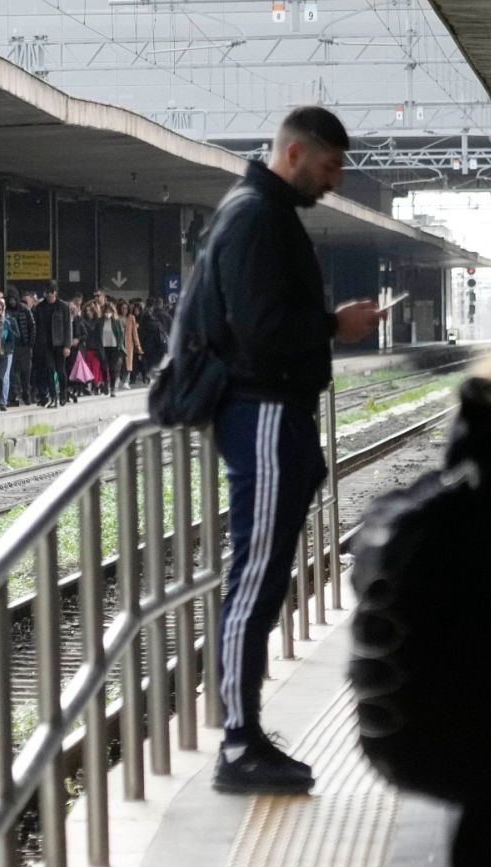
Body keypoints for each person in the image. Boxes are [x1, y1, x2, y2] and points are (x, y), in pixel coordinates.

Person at [201, 106, 382, 794]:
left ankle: (244, 733)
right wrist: (336, 324)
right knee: (254, 576)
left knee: (267, 573)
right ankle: (239, 742)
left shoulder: (266, 213)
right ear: (296, 152)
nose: (335, 181)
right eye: (330, 166)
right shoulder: (257, 217)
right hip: (265, 412)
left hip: (277, 414)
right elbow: (262, 329)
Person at [33, 282, 74, 407]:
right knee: (50, 370)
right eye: (48, 293)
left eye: (52, 293)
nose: (50, 295)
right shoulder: (40, 307)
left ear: (55, 293)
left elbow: (67, 327)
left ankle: (63, 394)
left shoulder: (62, 307)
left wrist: (67, 345)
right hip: (45, 344)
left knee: (60, 370)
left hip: (59, 343)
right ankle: (53, 396)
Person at [5, 288, 35, 407]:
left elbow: (32, 326)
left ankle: (26, 394)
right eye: (10, 299)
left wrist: (30, 343)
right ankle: (13, 396)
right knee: (12, 373)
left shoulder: (25, 310)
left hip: (24, 345)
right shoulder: (6, 311)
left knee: (25, 372)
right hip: (12, 346)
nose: (12, 302)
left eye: (14, 299)